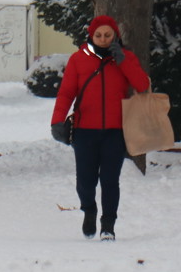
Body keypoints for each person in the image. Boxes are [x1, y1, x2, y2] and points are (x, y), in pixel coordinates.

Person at [50, 15, 150, 241]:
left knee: (110, 180)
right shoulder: (79, 59)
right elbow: (66, 92)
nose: (103, 39)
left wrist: (123, 60)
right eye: (99, 35)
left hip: (115, 131)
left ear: (115, 36)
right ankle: (89, 210)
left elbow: (142, 84)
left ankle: (108, 226)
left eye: (108, 35)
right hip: (84, 130)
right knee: (85, 181)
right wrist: (57, 120)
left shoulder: (125, 57)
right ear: (91, 36)